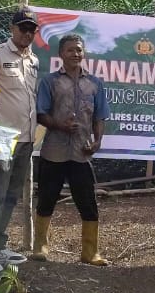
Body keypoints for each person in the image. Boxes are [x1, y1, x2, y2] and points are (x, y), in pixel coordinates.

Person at [34, 34, 113, 265]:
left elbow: (100, 116)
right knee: (47, 199)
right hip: (54, 151)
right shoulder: (50, 82)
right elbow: (41, 114)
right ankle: (40, 247)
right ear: (61, 54)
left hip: (81, 153)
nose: (75, 54)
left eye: (79, 50)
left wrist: (97, 141)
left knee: (88, 202)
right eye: (70, 50)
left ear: (83, 53)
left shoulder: (95, 84)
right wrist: (60, 125)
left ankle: (90, 253)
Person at [0, 10, 40, 279]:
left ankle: (0, 245)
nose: (27, 33)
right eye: (23, 28)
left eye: (32, 29)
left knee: (12, 194)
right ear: (12, 28)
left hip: (27, 137)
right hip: (1, 135)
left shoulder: (34, 60)